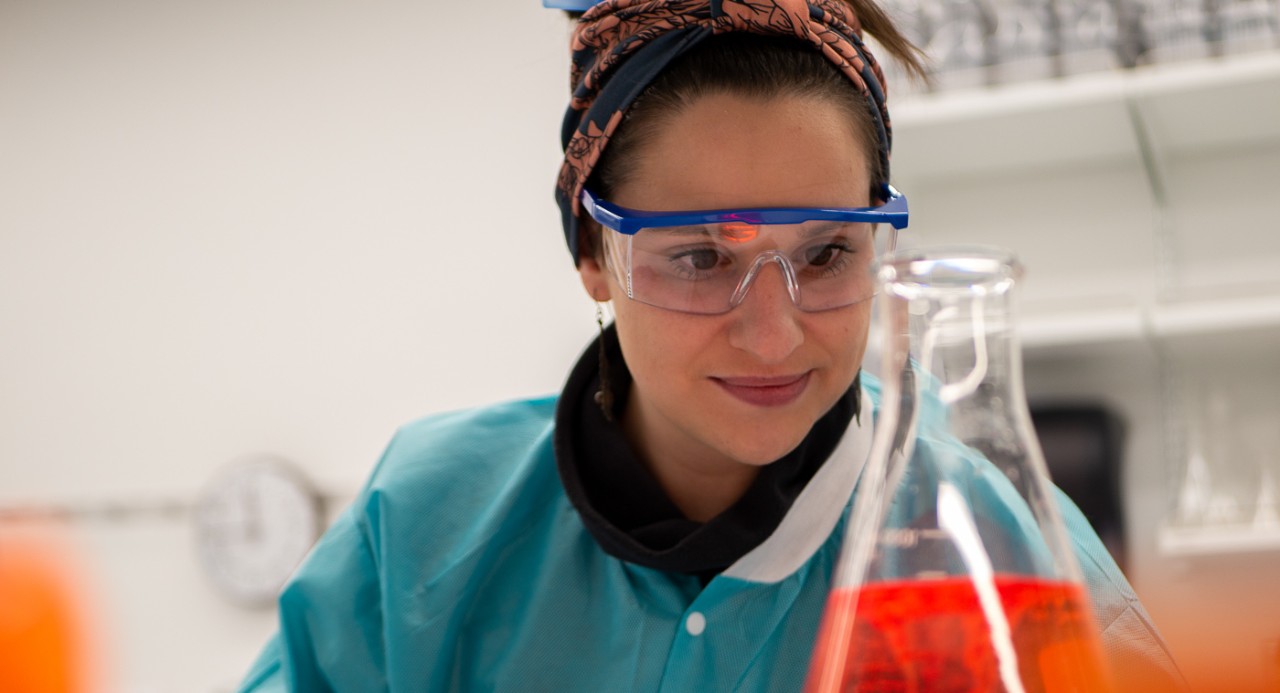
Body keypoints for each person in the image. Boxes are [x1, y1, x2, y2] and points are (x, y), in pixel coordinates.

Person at [236, 0, 1185, 690]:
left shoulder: (982, 533)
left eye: (825, 254)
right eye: (696, 257)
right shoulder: (428, 524)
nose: (773, 334)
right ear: (593, 255)